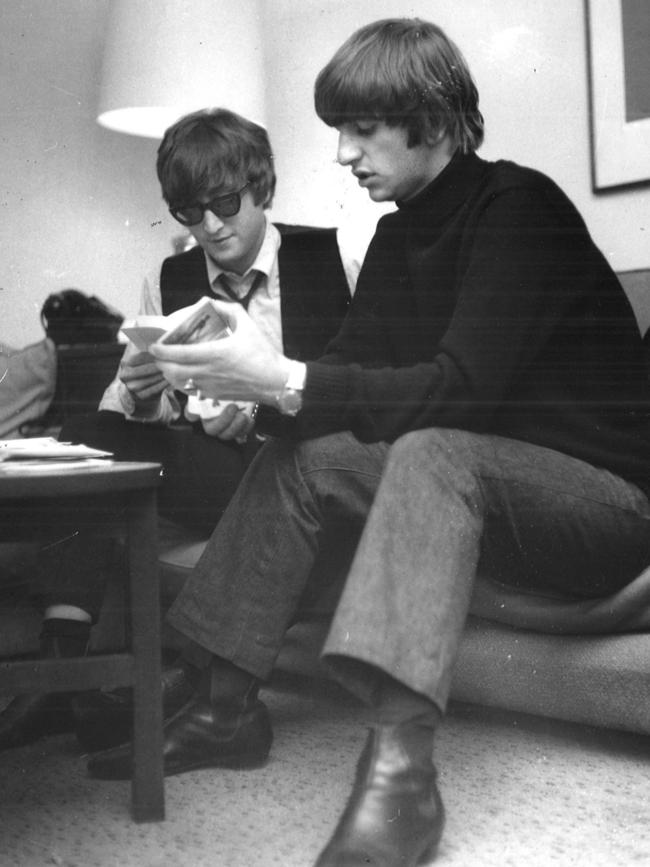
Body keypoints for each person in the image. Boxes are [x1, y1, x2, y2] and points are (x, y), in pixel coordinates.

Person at [86, 18, 650, 867]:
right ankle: (223, 704)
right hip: (482, 493)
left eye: (361, 130)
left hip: (602, 504)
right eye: (339, 132)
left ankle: (400, 774)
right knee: (305, 455)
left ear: (428, 117)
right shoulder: (395, 237)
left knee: (433, 444)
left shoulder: (518, 208)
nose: (344, 155)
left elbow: (459, 391)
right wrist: (250, 375)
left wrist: (286, 380)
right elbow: (337, 376)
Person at [0, 107, 361, 754]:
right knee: (90, 430)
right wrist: (142, 397)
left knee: (127, 441)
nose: (212, 227)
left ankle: (73, 686)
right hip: (209, 469)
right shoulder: (174, 277)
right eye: (191, 213)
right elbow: (143, 405)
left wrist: (259, 410)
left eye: (225, 203)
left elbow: (358, 396)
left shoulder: (331, 260)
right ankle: (60, 671)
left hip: (292, 473)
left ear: (263, 187)